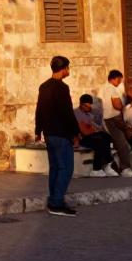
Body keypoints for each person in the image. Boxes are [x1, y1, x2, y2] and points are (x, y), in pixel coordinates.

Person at [35, 55, 80, 217]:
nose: (69, 70)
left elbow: (39, 109)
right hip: (61, 133)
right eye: (68, 67)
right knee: (66, 168)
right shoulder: (62, 88)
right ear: (64, 69)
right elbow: (67, 112)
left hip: (49, 133)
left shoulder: (44, 86)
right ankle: (56, 202)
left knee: (55, 167)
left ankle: (55, 199)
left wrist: (37, 130)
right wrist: (76, 132)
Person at [98, 69, 132, 178]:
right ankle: (125, 169)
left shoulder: (104, 88)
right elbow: (116, 105)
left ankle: (117, 164)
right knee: (124, 145)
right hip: (113, 119)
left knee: (122, 143)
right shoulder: (111, 89)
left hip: (110, 119)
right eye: (120, 80)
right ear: (116, 78)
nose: (120, 82)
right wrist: (126, 106)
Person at [75, 93, 118, 177]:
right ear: (81, 104)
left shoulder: (89, 114)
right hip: (81, 138)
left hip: (89, 135)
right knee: (100, 141)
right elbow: (84, 131)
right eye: (85, 106)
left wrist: (94, 130)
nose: (87, 108)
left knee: (106, 137)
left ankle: (106, 165)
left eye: (89, 106)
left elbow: (94, 128)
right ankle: (97, 168)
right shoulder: (77, 114)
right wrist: (93, 130)